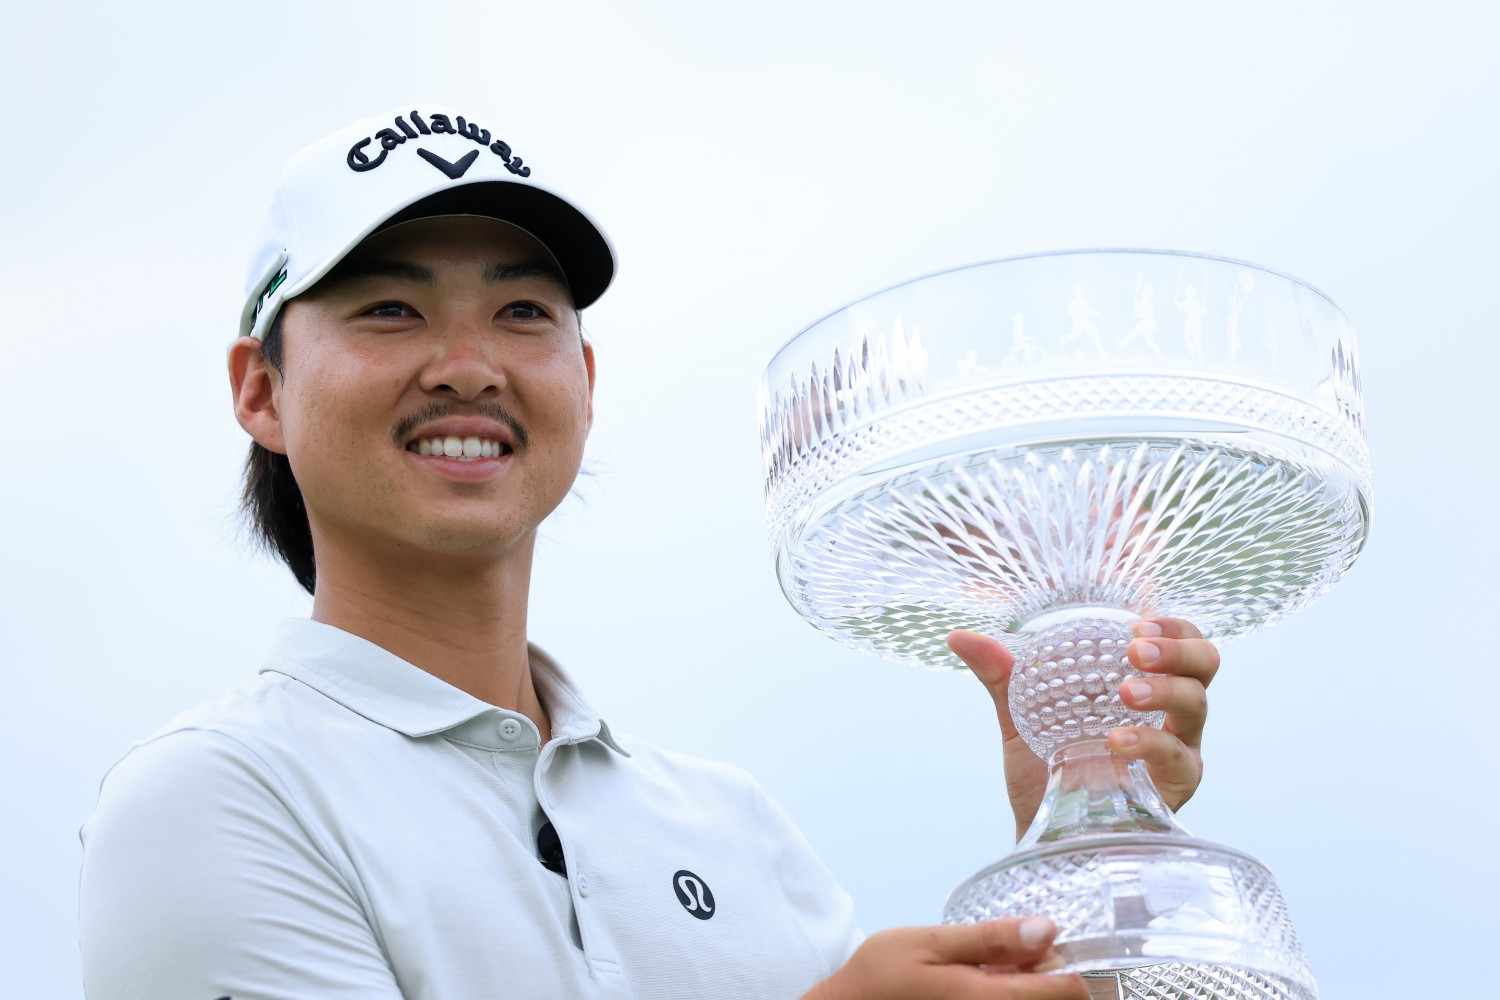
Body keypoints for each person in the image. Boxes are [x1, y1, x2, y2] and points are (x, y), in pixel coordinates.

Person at [78, 104, 1220, 1000]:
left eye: (525, 311)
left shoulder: (732, 824)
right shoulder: (214, 794)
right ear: (260, 390)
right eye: (391, 309)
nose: (469, 363)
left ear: (585, 379)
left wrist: (1084, 828)